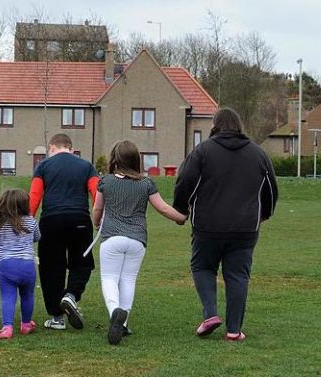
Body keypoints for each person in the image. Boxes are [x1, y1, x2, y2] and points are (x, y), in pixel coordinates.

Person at [173, 108, 278, 342]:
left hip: (207, 226)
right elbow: (271, 188)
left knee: (202, 267)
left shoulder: (202, 151)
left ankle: (210, 314)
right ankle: (233, 330)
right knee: (238, 275)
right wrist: (265, 213)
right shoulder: (258, 154)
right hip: (245, 227)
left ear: (215, 125)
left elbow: (185, 181)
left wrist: (182, 208)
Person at [91, 140, 187, 345]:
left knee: (109, 278)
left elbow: (97, 209)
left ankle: (114, 311)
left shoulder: (105, 181)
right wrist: (180, 217)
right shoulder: (146, 183)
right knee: (128, 279)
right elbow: (162, 208)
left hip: (111, 238)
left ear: (115, 159)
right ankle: (123, 324)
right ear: (137, 159)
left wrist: (96, 223)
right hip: (137, 240)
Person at [29, 133, 99, 330]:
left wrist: (27, 221)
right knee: (82, 262)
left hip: (51, 220)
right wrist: (99, 219)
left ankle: (56, 317)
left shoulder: (43, 166)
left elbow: (34, 197)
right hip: (80, 219)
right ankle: (71, 295)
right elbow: (96, 193)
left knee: (51, 267)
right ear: (71, 147)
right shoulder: (86, 166)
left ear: (51, 147)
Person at [0, 189, 40, 340]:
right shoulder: (31, 221)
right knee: (28, 295)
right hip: (28, 265)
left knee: (8, 296)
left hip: (6, 265)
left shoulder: (0, 222)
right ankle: (26, 324)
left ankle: (7, 327)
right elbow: (37, 237)